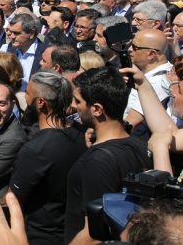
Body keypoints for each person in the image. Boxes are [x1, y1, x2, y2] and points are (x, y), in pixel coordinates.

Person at [64, 67, 150, 243]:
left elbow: (93, 234)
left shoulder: (97, 162)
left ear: (97, 109)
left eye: (78, 101)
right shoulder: (140, 146)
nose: (73, 106)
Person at [10, 71, 86, 245]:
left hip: (40, 236)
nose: (24, 99)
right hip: (71, 231)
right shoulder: (80, 135)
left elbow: (14, 198)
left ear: (41, 103)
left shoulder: (35, 150)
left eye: (28, 94)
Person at [3, 13, 46, 89]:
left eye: (16, 33)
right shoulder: (10, 49)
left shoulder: (45, 53)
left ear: (31, 34)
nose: (12, 36)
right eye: (11, 32)